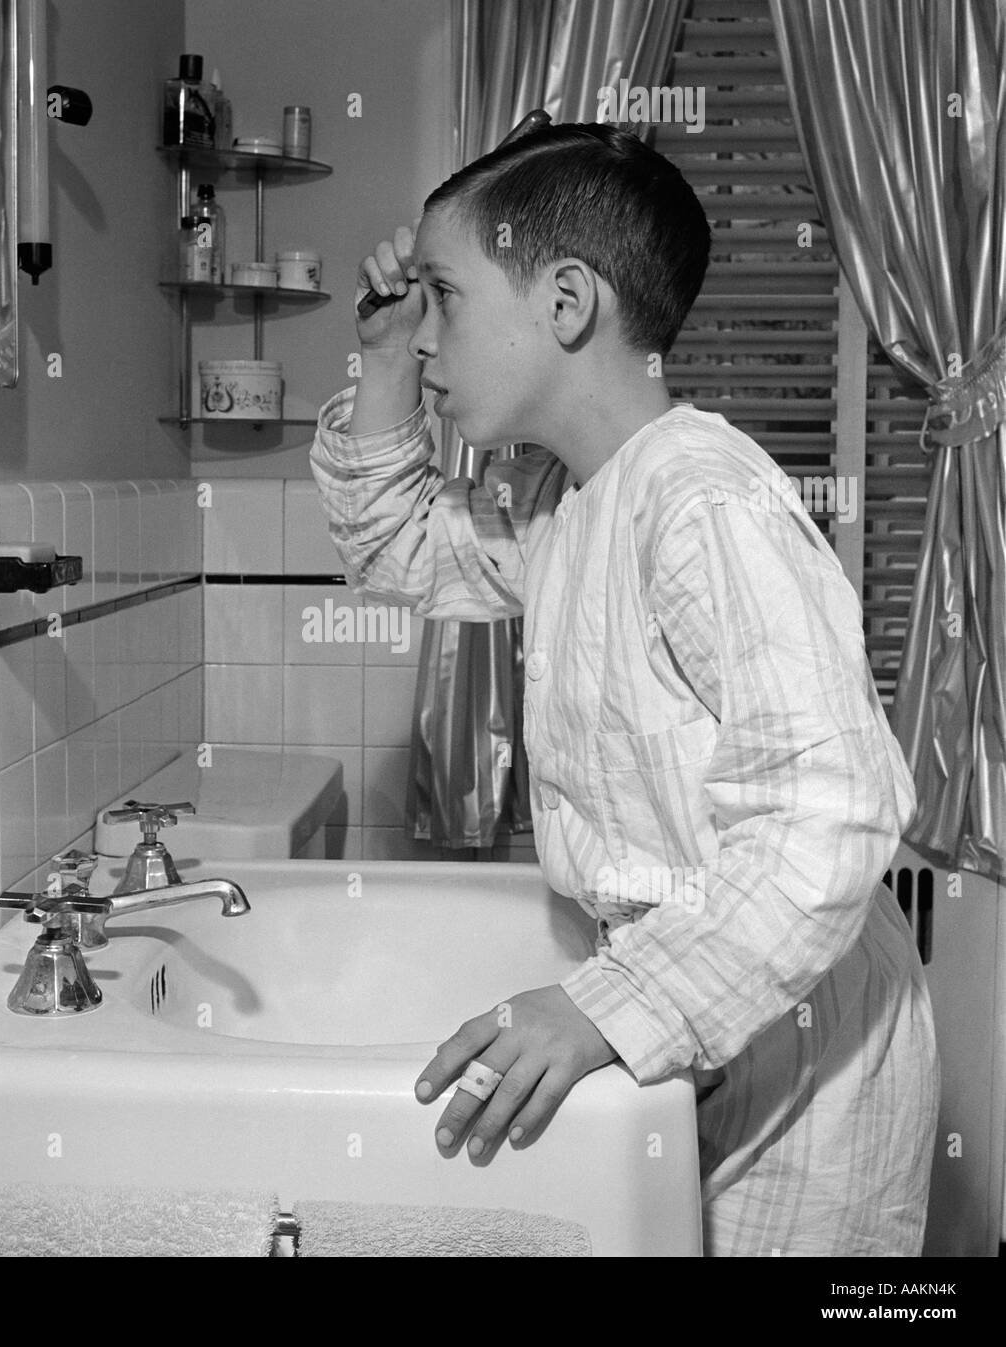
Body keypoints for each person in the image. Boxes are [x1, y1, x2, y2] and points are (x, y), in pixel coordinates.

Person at [309, 122, 939, 1257]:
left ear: (563, 304)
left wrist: (606, 1008)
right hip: (701, 1020)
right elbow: (396, 544)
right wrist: (387, 353)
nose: (432, 336)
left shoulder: (701, 503)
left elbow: (829, 816)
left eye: (443, 298)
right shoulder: (565, 498)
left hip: (803, 1063)